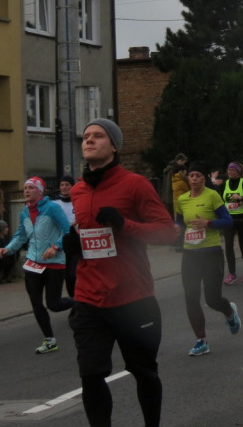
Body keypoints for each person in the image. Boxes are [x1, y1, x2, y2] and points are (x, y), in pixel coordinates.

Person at [69, 118, 177, 427]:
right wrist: (73, 244)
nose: (89, 140)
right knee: (90, 375)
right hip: (89, 298)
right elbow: (88, 236)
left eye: (98, 136)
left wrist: (123, 224)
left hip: (133, 298)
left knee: (143, 372)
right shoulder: (77, 190)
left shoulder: (135, 185)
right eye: (86, 136)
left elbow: (166, 233)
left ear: (114, 146)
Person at [0, 177, 74, 354]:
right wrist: (7, 249)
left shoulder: (52, 208)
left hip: (54, 263)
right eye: (25, 187)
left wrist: (56, 247)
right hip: (33, 262)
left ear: (40, 191)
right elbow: (20, 236)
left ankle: (83, 303)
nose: (26, 191)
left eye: (31, 187)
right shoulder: (25, 211)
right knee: (36, 303)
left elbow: (67, 230)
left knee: (54, 304)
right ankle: (49, 340)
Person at [174, 164, 241, 356]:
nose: (194, 179)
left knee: (212, 299)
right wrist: (175, 229)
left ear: (204, 178)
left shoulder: (212, 196)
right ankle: (201, 340)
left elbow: (228, 221)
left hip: (211, 253)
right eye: (191, 175)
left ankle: (229, 311)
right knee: (191, 297)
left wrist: (208, 223)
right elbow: (179, 222)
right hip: (190, 254)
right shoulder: (182, 200)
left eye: (198, 175)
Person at [221, 162, 243, 284]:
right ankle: (232, 273)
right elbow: (219, 201)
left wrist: (241, 198)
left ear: (238, 172)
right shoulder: (224, 184)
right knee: (228, 246)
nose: (230, 172)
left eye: (233, 170)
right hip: (229, 220)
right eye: (229, 170)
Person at [54, 176, 81, 297]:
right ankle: (72, 300)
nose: (64, 187)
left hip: (76, 242)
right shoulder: (54, 203)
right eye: (62, 185)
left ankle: (77, 298)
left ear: (72, 186)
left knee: (73, 274)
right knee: (65, 275)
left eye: (67, 185)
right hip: (59, 242)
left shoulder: (78, 201)